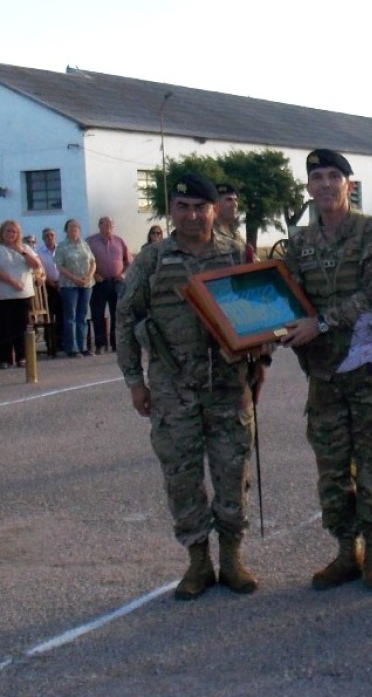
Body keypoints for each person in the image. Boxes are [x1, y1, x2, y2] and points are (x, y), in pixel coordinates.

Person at [116, 173, 266, 601]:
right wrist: (134, 382)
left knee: (232, 474)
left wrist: (263, 363)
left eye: (201, 206)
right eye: (183, 207)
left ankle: (233, 558)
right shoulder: (152, 260)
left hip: (228, 386)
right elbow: (126, 321)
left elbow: (262, 312)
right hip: (172, 389)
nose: (192, 214)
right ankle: (198, 561)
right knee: (181, 477)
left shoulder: (237, 254)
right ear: (172, 210)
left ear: (215, 209)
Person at [281, 149, 372, 593]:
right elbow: (286, 297)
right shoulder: (299, 243)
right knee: (332, 467)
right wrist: (274, 327)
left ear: (349, 185)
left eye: (335, 176)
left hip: (370, 373)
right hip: (324, 375)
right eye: (318, 177)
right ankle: (344, 550)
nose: (327, 184)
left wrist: (323, 322)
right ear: (309, 187)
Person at [0, 220, 43, 368]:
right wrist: (12, 281)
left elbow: (37, 265)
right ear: (2, 233)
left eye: (14, 232)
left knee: (21, 326)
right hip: (4, 294)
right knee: (5, 326)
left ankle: (22, 356)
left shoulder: (24, 248)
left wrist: (22, 251)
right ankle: (4, 358)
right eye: (8, 231)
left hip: (23, 294)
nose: (11, 234)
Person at [86, 216, 131, 354]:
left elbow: (129, 261)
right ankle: (100, 344)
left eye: (111, 225)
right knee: (97, 314)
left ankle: (115, 343)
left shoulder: (119, 241)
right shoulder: (90, 242)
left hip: (116, 282)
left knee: (116, 314)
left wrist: (123, 274)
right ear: (99, 226)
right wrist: (93, 275)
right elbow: (85, 262)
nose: (108, 228)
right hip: (99, 283)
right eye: (105, 225)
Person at [54, 219, 96, 358]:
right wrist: (74, 278)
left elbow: (92, 262)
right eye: (71, 227)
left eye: (77, 227)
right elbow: (59, 266)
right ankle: (72, 347)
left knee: (82, 316)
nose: (74, 229)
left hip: (86, 284)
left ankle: (83, 346)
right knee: (70, 316)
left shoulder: (84, 245)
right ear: (66, 230)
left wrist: (89, 276)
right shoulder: (61, 246)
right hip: (69, 285)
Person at [38, 227, 63, 357]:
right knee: (50, 316)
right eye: (46, 236)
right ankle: (50, 344)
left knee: (62, 315)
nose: (49, 237)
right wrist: (50, 282)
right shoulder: (40, 253)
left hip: (63, 285)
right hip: (48, 286)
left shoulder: (61, 250)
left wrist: (60, 281)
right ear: (43, 238)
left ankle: (61, 343)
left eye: (51, 235)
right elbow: (40, 270)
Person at [215, 183, 255, 262]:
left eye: (236, 200)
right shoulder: (207, 233)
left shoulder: (234, 232)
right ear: (215, 204)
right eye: (229, 200)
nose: (234, 204)